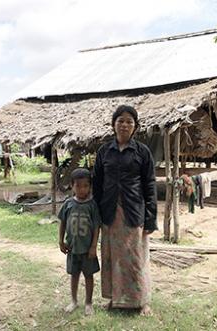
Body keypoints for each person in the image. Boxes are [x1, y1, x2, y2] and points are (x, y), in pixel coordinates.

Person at [93, 105, 157, 316]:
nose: (124, 125)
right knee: (112, 258)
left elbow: (150, 186)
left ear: (135, 127)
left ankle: (141, 301)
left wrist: (150, 218)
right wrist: (96, 213)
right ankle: (115, 299)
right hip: (109, 211)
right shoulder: (104, 151)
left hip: (133, 211)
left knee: (136, 257)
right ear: (113, 125)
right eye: (120, 120)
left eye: (129, 121)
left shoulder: (142, 152)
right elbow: (97, 185)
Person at [58, 168, 101, 316]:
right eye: (78, 186)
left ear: (90, 187)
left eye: (85, 186)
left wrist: (94, 246)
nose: (82, 189)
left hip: (88, 249)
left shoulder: (92, 205)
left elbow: (96, 227)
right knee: (74, 275)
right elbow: (63, 223)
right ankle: (74, 301)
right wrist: (60, 241)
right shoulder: (68, 204)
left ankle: (88, 303)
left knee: (89, 276)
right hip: (72, 248)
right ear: (72, 186)